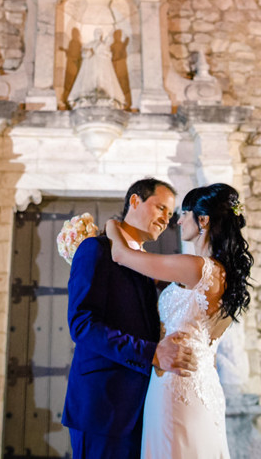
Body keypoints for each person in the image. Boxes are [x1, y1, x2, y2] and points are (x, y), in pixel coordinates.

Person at [105, 183, 253, 458]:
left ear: (204, 220)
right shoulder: (224, 275)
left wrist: (112, 225)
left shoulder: (196, 267)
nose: (178, 219)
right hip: (205, 385)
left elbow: (121, 255)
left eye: (185, 213)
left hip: (176, 384)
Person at [63, 178, 196, 459]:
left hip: (144, 407)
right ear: (135, 201)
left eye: (170, 214)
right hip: (103, 406)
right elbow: (82, 325)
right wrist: (152, 353)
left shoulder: (145, 262)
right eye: (161, 208)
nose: (165, 219)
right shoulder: (95, 249)